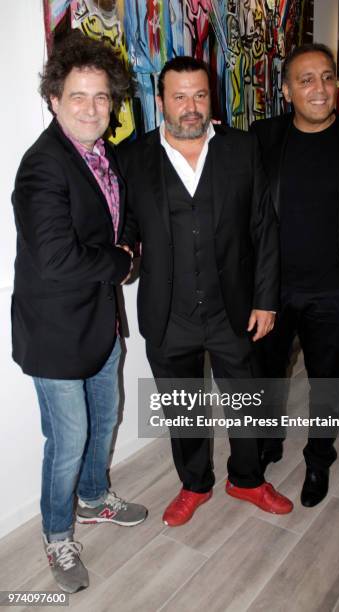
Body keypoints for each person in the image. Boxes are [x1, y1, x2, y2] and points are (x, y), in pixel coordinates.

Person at [118, 56, 293, 527]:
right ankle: (195, 484)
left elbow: (264, 226)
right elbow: (128, 226)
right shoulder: (134, 158)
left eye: (199, 95)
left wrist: (266, 298)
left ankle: (248, 478)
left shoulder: (242, 148)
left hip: (234, 309)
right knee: (184, 408)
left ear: (210, 97)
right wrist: (119, 255)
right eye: (179, 97)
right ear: (161, 102)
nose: (191, 107)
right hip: (168, 312)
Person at [11, 31, 147, 593]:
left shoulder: (103, 155)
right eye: (78, 97)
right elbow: (58, 258)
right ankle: (58, 534)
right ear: (53, 99)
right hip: (56, 333)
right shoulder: (42, 166)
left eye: (100, 98)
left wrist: (128, 247)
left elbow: (124, 220)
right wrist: (120, 262)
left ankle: (94, 499)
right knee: (66, 441)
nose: (92, 109)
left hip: (102, 324)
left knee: (104, 420)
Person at [251, 43, 339, 508]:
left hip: (334, 289)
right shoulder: (262, 137)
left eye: (327, 77)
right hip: (273, 289)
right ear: (288, 90)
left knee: (328, 379)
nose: (319, 88)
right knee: (267, 373)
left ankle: (318, 457)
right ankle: (268, 441)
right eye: (306, 79)